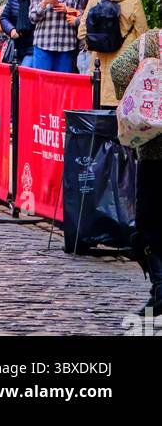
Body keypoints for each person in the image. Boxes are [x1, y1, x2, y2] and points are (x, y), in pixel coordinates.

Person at [112, 28, 162, 319]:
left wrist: (140, 92)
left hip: (155, 149)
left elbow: (119, 70)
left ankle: (160, 289)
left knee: (149, 222)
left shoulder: (153, 41)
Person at [78, 0, 148, 105]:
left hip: (98, 65)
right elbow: (143, 38)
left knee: (99, 109)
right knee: (121, 113)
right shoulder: (134, 2)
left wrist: (97, 44)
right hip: (124, 67)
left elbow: (82, 32)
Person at [28, 0, 81, 73]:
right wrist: (44, 3)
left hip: (66, 44)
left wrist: (67, 9)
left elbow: (82, 14)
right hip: (43, 43)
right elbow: (32, 18)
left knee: (63, 84)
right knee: (43, 83)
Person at [0, 0, 37, 64]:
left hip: (33, 44)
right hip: (16, 43)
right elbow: (4, 18)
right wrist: (11, 30)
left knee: (26, 68)